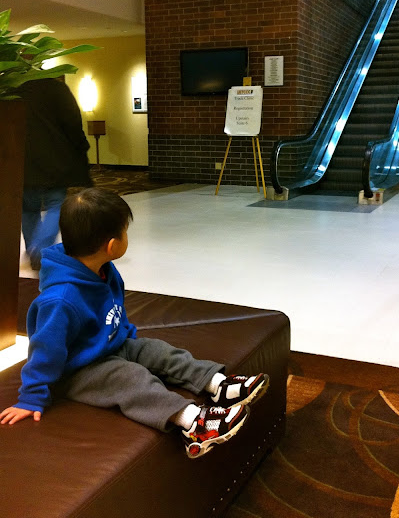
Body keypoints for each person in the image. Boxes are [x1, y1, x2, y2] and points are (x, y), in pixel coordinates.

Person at [0, 187, 269, 459]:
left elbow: (113, 309)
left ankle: (217, 385)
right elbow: (45, 351)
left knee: (159, 351)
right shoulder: (61, 300)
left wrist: (128, 341)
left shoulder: (102, 269)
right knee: (130, 378)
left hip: (112, 346)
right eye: (125, 231)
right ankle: (194, 424)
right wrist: (31, 397)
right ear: (111, 245)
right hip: (77, 370)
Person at [16, 77, 91, 271]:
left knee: (28, 208)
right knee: (56, 204)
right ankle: (41, 248)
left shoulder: (18, 90)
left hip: (24, 158)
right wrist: (81, 146)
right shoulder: (58, 89)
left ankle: (34, 250)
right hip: (55, 159)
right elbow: (73, 122)